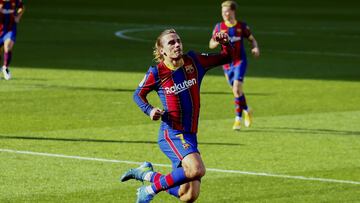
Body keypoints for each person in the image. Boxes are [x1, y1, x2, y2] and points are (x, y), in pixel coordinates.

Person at [120, 29, 233, 203]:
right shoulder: (157, 72)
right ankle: (149, 191)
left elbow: (227, 57)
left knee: (188, 196)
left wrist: (226, 43)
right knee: (197, 169)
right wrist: (150, 110)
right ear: (162, 51)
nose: (177, 45)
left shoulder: (194, 61)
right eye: (171, 43)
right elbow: (138, 94)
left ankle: (147, 174)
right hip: (172, 133)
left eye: (178, 41)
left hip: (190, 135)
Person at [209, 0, 260, 130]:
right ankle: (247, 110)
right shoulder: (219, 27)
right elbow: (211, 44)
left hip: (239, 61)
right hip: (226, 63)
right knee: (236, 92)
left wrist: (255, 48)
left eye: (227, 11)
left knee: (237, 89)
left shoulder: (242, 26)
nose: (225, 14)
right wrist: (216, 42)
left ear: (233, 11)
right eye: (223, 12)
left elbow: (252, 39)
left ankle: (238, 119)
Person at [0, 0, 24, 80]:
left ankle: (5, 67)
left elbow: (22, 7)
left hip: (10, 29)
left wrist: (18, 16)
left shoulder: (15, 1)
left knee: (8, 46)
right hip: (0, 29)